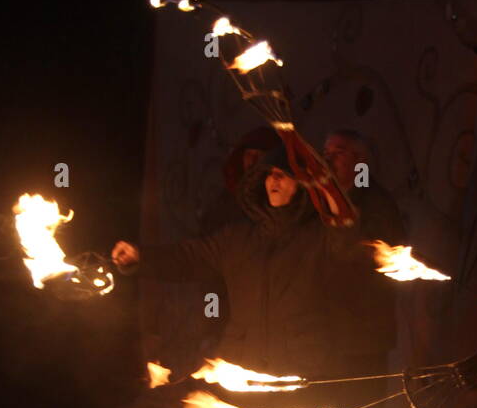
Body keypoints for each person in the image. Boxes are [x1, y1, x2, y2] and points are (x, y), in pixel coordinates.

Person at [111, 146, 374, 382]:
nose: (274, 179)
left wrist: (329, 191)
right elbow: (189, 258)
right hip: (242, 368)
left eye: (283, 173)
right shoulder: (238, 238)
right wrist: (141, 257)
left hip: (302, 370)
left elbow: (346, 238)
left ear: (304, 185)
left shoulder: (320, 237)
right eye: (270, 174)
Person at [324, 129, 403, 369]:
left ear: (359, 160)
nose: (328, 160)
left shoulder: (376, 204)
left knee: (358, 400)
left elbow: (377, 255)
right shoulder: (320, 201)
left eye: (338, 153)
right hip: (324, 331)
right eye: (326, 153)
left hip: (362, 333)